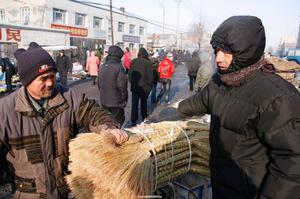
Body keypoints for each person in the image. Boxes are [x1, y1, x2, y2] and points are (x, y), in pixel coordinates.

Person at [176, 16, 300, 199]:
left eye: (226, 51)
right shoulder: (220, 82)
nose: (218, 58)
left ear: (246, 51)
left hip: (251, 192)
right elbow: (196, 103)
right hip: (222, 186)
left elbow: (293, 163)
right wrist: (170, 113)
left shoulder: (278, 97)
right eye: (217, 50)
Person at [0, 42, 128, 198]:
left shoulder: (70, 98)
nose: (50, 83)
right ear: (27, 81)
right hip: (26, 194)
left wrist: (108, 128)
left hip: (63, 192)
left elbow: (93, 113)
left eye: (53, 76)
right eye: (43, 78)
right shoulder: (5, 111)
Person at [98, 46, 128, 125]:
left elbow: (99, 84)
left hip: (104, 100)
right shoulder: (119, 67)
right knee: (117, 122)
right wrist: (124, 99)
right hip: (116, 102)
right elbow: (122, 87)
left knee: (107, 122)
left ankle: (109, 135)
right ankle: (115, 137)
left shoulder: (102, 66)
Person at [128, 47, 153, 126]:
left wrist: (132, 83)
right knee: (144, 102)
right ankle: (144, 115)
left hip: (135, 86)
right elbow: (150, 77)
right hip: (144, 87)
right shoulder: (147, 63)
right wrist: (149, 86)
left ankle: (133, 119)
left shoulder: (133, 61)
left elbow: (129, 75)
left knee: (134, 103)